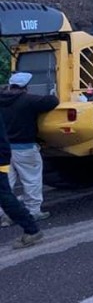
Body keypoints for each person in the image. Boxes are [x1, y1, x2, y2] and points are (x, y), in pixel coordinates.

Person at [0, 72, 58, 228]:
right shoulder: (28, 100)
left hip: (3, 151)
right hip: (25, 149)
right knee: (31, 180)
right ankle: (33, 212)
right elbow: (52, 101)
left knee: (5, 183)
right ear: (26, 87)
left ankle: (5, 215)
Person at [0, 107, 43, 248]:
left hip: (3, 156)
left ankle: (31, 229)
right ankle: (31, 226)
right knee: (6, 193)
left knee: (4, 195)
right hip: (5, 154)